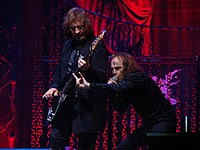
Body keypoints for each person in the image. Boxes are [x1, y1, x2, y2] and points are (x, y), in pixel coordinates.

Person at [73, 52, 177, 150]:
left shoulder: (137, 77)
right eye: (113, 69)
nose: (114, 72)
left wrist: (89, 86)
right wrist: (112, 91)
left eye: (118, 68)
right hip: (149, 123)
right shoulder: (125, 85)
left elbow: (118, 88)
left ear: (127, 68)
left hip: (164, 120)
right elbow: (120, 108)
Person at [42, 7, 109, 150]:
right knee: (56, 140)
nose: (77, 31)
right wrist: (54, 86)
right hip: (65, 103)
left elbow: (102, 77)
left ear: (86, 25)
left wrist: (88, 70)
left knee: (85, 145)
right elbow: (60, 71)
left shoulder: (97, 45)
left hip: (86, 106)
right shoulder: (68, 45)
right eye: (73, 28)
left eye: (80, 27)